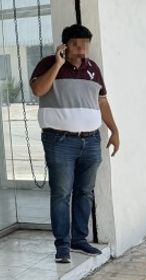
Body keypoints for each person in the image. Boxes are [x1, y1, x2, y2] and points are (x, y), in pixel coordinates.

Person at [30, 24, 120, 263]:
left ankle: (79, 240)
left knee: (85, 192)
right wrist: (58, 64)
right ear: (65, 46)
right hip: (59, 141)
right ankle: (62, 245)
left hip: (91, 141)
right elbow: (38, 90)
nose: (82, 49)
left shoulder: (93, 69)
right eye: (76, 44)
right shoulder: (48, 64)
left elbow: (102, 102)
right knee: (61, 193)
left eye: (85, 44)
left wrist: (114, 130)